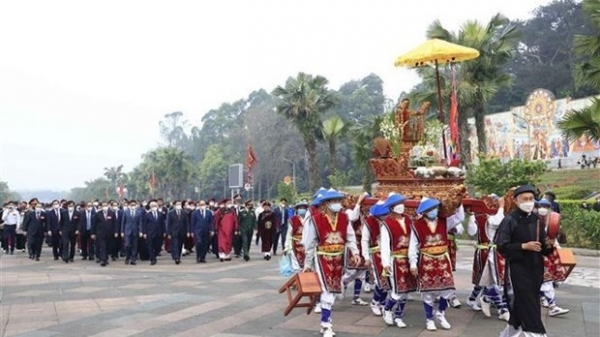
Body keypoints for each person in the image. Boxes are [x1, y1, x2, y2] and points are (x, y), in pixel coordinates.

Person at [496, 185, 554, 337]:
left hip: (536, 268)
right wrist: (523, 246)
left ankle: (508, 334)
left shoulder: (537, 219)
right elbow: (501, 246)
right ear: (516, 201)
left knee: (524, 304)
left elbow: (543, 245)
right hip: (518, 268)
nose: (529, 202)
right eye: (525, 199)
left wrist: (549, 245)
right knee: (530, 306)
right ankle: (537, 334)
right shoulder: (509, 220)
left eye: (531, 199)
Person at [303, 189, 361, 337]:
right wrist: (308, 264)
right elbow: (310, 244)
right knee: (327, 289)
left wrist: (355, 252)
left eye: (339, 201)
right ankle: (326, 324)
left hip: (338, 258)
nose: (337, 204)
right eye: (334, 201)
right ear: (326, 204)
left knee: (334, 289)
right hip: (322, 258)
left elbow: (350, 237)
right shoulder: (315, 220)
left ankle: (325, 322)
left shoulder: (344, 218)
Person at [408, 197, 465, 331]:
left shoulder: (445, 221)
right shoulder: (416, 225)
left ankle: (441, 313)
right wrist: (413, 263)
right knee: (427, 292)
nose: (434, 211)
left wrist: (458, 204)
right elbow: (413, 245)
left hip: (443, 260)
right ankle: (429, 319)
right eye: (431, 209)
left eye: (436, 208)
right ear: (425, 211)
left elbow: (460, 217)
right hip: (426, 259)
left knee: (448, 288)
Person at [465, 196, 510, 321]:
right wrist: (472, 216)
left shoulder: (496, 216)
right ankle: (501, 308)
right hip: (487, 251)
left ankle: (484, 299)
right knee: (491, 280)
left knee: (497, 280)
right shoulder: (488, 217)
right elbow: (473, 231)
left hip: (497, 251)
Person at [380, 193, 417, 328]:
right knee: (397, 290)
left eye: (401, 203)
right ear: (391, 207)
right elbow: (384, 245)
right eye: (397, 204)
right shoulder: (387, 224)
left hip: (408, 258)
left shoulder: (408, 219)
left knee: (407, 290)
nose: (400, 206)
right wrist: (385, 263)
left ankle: (399, 315)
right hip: (396, 260)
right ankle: (388, 309)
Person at [537, 199, 569, 317]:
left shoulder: (551, 220)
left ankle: (551, 305)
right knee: (544, 281)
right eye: (541, 206)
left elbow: (553, 238)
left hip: (544, 255)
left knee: (546, 281)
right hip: (535, 254)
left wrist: (557, 247)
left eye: (545, 206)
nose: (543, 208)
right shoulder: (532, 219)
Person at [363, 200, 391, 316]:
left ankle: (383, 303)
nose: (386, 216)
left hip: (389, 252)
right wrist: (366, 257)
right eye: (383, 215)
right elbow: (364, 240)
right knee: (381, 280)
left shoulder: (390, 220)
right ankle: (375, 302)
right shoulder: (369, 222)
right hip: (376, 253)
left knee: (388, 280)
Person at [284, 201, 308, 272]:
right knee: (296, 264)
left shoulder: (309, 219)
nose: (302, 209)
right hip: (295, 244)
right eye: (300, 208)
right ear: (297, 210)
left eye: (304, 208)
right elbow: (289, 233)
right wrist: (287, 246)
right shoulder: (293, 220)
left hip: (306, 244)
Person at [91, 201, 117, 267]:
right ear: (101, 207)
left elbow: (115, 223)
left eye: (106, 205)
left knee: (108, 246)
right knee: (102, 246)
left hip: (109, 233)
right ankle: (103, 260)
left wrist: (116, 232)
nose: (105, 207)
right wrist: (93, 233)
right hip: (100, 233)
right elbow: (94, 224)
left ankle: (106, 258)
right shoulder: (98, 214)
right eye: (103, 206)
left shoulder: (112, 213)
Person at [143, 200, 165, 266]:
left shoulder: (160, 214)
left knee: (157, 246)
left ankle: (155, 253)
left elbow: (163, 224)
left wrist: (164, 232)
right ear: (150, 207)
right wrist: (144, 233)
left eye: (155, 206)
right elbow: (144, 224)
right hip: (150, 233)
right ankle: (152, 259)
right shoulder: (147, 215)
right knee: (150, 246)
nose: (154, 207)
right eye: (152, 206)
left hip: (159, 233)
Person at [167, 200, 188, 265]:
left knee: (180, 245)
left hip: (182, 231)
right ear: (174, 205)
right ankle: (176, 257)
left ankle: (178, 256)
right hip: (174, 232)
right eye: (177, 204)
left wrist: (188, 231)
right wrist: (169, 233)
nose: (179, 206)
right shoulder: (170, 213)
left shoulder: (184, 213)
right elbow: (168, 224)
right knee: (175, 244)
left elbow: (187, 223)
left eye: (180, 204)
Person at [121, 199, 142, 265]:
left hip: (135, 231)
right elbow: (123, 222)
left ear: (136, 205)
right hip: (127, 231)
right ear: (129, 205)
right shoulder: (126, 212)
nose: (133, 206)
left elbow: (140, 222)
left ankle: (133, 259)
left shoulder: (139, 212)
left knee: (135, 246)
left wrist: (141, 231)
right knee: (127, 245)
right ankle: (127, 256)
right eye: (131, 205)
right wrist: (122, 231)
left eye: (134, 205)